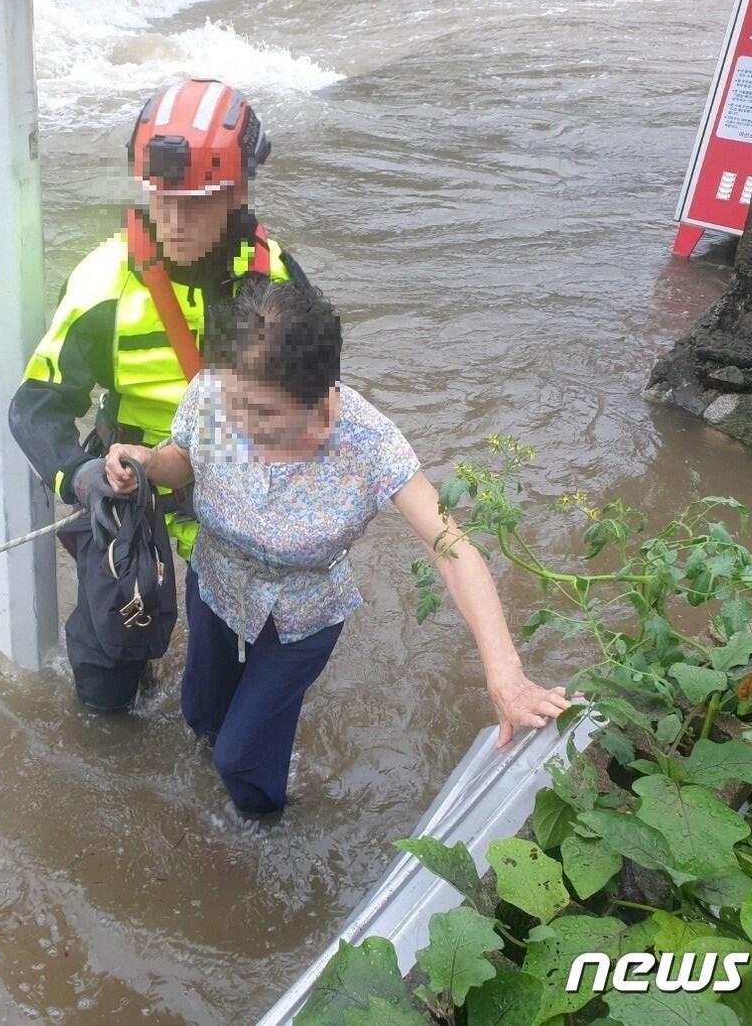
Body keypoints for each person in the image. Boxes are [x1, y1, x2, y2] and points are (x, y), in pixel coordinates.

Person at [103, 278, 575, 816]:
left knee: (240, 757)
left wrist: (506, 674)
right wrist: (144, 461)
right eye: (233, 403)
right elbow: (183, 460)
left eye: (262, 414)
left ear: (322, 401)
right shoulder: (216, 397)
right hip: (216, 581)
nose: (237, 422)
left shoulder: (369, 444)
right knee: (202, 715)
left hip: (302, 614)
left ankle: (260, 824)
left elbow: (453, 547)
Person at [9, 79, 313, 714]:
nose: (173, 221)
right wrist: (80, 475)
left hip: (233, 514)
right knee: (105, 682)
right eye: (160, 198)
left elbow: (318, 408)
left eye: (196, 203)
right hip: (130, 505)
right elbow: (36, 403)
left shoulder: (276, 281)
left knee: (226, 708)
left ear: (238, 194)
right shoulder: (105, 282)